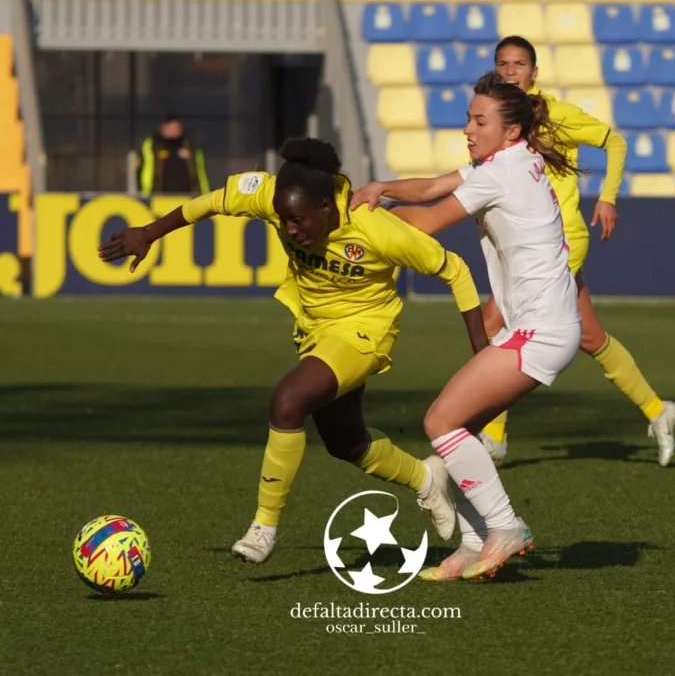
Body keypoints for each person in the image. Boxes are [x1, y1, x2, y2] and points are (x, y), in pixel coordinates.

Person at [98, 137, 489, 565]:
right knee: (347, 443)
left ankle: (263, 528)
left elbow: (455, 269)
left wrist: (480, 350)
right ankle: (425, 477)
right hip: (314, 332)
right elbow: (211, 202)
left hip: (364, 333)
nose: (289, 229)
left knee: (288, 401)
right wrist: (149, 233)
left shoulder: (376, 228)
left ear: (326, 207)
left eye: (298, 220)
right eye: (283, 219)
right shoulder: (275, 196)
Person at [358, 35, 675, 467]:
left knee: (496, 324)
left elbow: (615, 142)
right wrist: (382, 190)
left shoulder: (546, 122)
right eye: (502, 63)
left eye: (519, 64)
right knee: (589, 336)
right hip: (532, 242)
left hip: (559, 241)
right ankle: (658, 411)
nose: (510, 70)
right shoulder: (501, 136)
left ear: (534, 72)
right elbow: (441, 184)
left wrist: (608, 197)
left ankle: (486, 433)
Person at [354, 72, 583, 580]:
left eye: (480, 121)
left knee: (440, 422)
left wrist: (357, 218)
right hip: (542, 324)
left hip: (540, 329)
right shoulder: (511, 160)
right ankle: (474, 543)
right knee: (465, 431)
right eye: (468, 118)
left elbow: (430, 219)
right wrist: (383, 188)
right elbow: (435, 185)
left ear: (511, 131)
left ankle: (505, 526)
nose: (468, 129)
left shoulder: (499, 171)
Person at [137, 113, 210, 196]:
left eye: (178, 127)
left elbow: (200, 173)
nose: (176, 130)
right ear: (163, 127)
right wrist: (145, 195)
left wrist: (204, 194)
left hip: (188, 199)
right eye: (172, 127)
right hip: (157, 198)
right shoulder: (152, 145)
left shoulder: (190, 146)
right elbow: (142, 171)